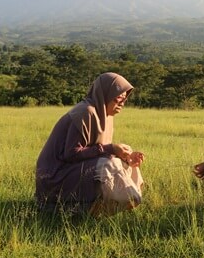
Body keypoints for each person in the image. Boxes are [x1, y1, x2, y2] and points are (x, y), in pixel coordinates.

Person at [35, 72, 145, 216]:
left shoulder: (105, 115)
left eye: (124, 99)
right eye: (118, 98)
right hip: (54, 177)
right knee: (109, 165)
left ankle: (109, 203)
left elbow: (98, 151)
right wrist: (111, 149)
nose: (122, 103)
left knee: (121, 157)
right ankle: (91, 206)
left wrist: (126, 157)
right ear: (106, 94)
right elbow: (71, 154)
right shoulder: (86, 112)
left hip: (73, 170)